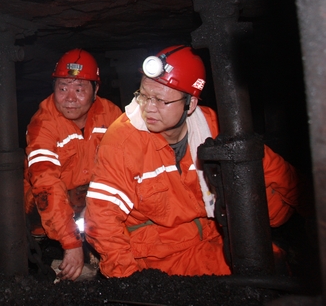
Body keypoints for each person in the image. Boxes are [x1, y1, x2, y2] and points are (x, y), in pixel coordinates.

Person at [85, 45, 300, 278]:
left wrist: (313, 209)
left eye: (161, 100)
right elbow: (101, 219)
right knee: (264, 273)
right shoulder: (122, 142)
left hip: (213, 232)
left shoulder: (211, 126)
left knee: (274, 251)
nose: (148, 108)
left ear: (191, 104)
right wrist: (130, 280)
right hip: (161, 252)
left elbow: (273, 169)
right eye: (143, 96)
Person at [24, 48, 123, 281]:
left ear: (95, 91)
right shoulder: (43, 124)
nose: (70, 98)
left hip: (90, 197)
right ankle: (45, 249)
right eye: (63, 88)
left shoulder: (111, 115)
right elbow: (46, 183)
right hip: (46, 208)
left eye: (79, 89)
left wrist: (98, 207)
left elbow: (124, 169)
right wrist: (71, 243)